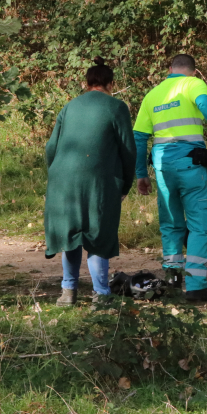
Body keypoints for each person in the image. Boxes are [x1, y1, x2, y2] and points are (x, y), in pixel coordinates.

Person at [133, 54, 207, 302]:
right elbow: (205, 103)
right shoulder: (192, 84)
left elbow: (139, 138)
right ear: (193, 71)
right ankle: (196, 285)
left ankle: (173, 282)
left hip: (163, 168)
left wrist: (141, 174)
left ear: (170, 69)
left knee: (171, 224)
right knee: (200, 225)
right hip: (190, 165)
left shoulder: (152, 95)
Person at [45, 57, 136, 307]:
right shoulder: (117, 107)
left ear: (86, 83)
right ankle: (101, 295)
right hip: (99, 182)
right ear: (110, 83)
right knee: (98, 234)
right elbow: (128, 150)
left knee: (71, 234)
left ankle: (68, 293)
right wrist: (126, 184)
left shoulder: (69, 107)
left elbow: (51, 148)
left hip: (63, 180)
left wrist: (56, 175)